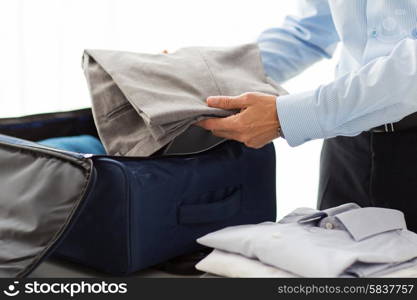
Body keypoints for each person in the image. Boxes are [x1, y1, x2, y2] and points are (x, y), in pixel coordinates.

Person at [196, 0, 417, 232]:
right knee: (331, 260)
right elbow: (309, 28)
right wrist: (207, 74)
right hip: (347, 147)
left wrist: (288, 116)